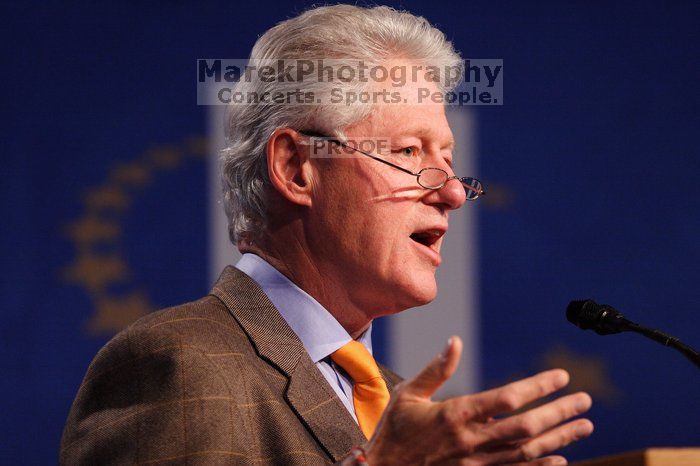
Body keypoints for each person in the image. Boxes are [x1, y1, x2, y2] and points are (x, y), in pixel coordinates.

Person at [60, 5, 593, 465]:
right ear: (296, 168)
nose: (453, 194)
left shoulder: (400, 408)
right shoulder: (178, 364)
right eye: (409, 152)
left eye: (450, 162)